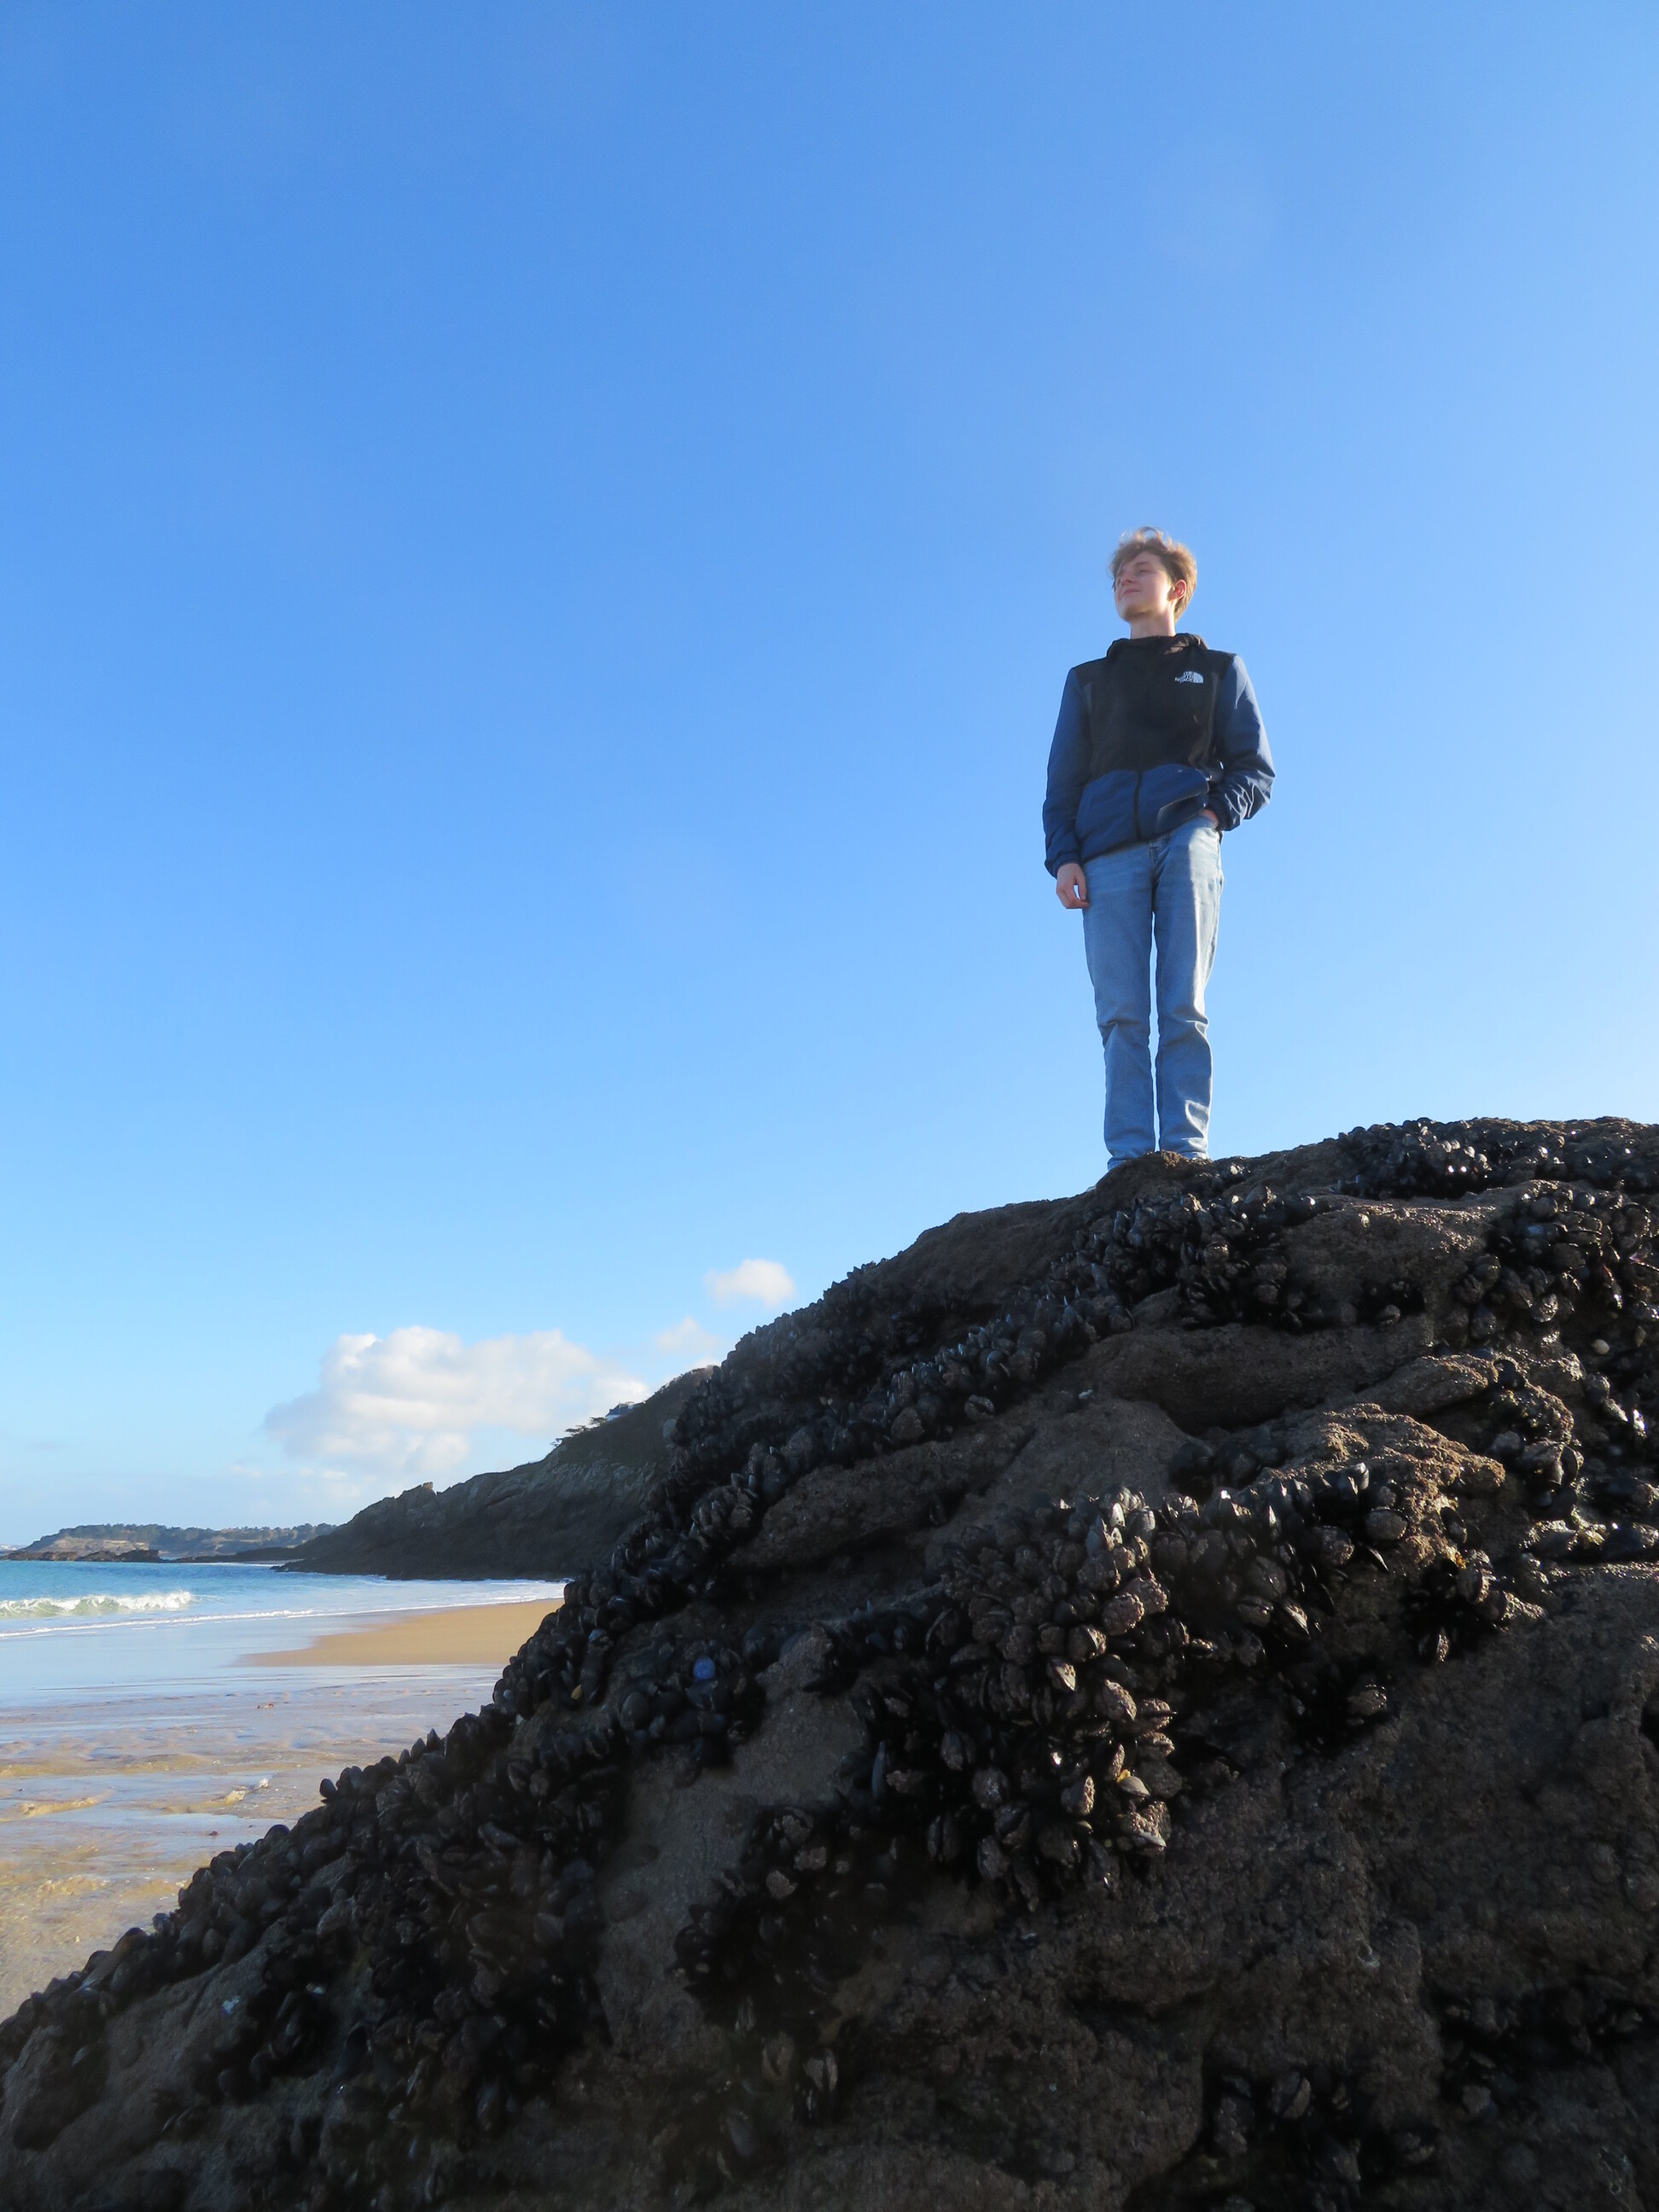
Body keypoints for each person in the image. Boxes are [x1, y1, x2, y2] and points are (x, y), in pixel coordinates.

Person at [1042, 528, 1273, 1170]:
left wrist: (1212, 814)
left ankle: (1185, 1153)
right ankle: (1129, 1161)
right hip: (1105, 852)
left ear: (1176, 588)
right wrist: (1064, 857)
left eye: (1140, 568)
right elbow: (1062, 782)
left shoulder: (1220, 670)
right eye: (1119, 573)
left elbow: (1255, 768)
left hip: (1187, 838)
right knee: (1121, 1015)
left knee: (1183, 1005)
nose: (1125, 578)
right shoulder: (1088, 682)